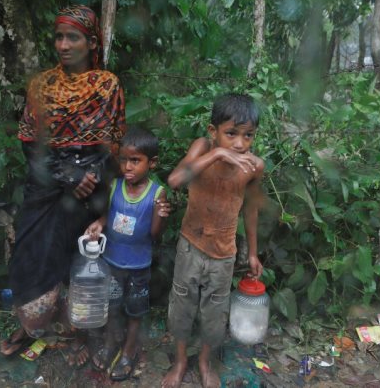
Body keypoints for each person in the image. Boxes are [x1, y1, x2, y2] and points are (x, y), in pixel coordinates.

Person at [0, 5, 126, 369]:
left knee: (82, 259)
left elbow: (113, 145)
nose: (64, 45)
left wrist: (89, 176)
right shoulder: (41, 85)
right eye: (59, 36)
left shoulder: (107, 86)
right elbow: (29, 143)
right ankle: (32, 325)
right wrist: (68, 175)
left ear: (91, 42)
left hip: (91, 189)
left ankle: (79, 333)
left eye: (73, 37)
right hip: (47, 184)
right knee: (30, 256)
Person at [161, 94, 265, 388]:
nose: (240, 144)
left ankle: (205, 362)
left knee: (215, 312)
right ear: (213, 131)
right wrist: (217, 155)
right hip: (190, 245)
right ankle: (181, 361)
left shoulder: (254, 167)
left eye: (248, 136)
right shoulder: (202, 148)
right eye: (230, 134)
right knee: (181, 305)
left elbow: (252, 209)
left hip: (223, 254)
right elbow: (175, 180)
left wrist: (253, 253)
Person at [84, 127, 171, 380]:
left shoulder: (156, 194)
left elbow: (154, 234)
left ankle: (129, 350)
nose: (128, 166)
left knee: (135, 311)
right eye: (124, 160)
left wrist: (162, 217)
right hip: (112, 262)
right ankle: (111, 343)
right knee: (112, 306)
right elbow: (108, 216)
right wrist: (99, 223)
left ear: (151, 163)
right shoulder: (115, 186)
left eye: (135, 160)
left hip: (139, 266)